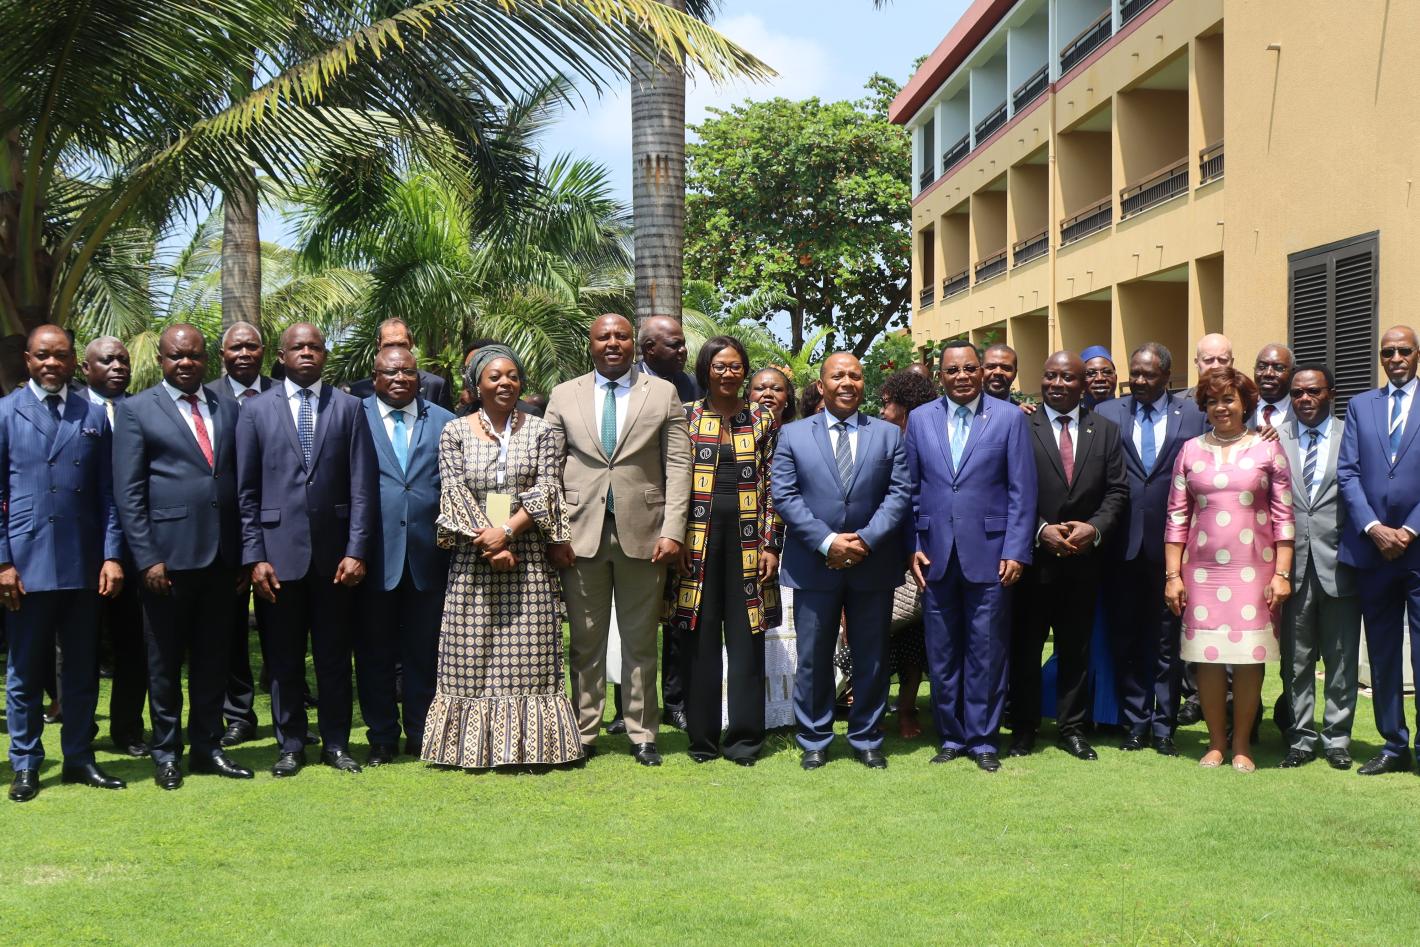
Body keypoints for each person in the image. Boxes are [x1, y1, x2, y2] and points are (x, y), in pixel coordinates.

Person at [422, 344, 581, 768]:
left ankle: (532, 749)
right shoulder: (454, 431)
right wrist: (489, 543)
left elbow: (548, 489)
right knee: (471, 654)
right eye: (494, 377)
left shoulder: (541, 431)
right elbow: (454, 490)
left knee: (530, 656)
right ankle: (470, 749)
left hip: (527, 557)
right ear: (477, 385)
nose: (505, 383)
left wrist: (506, 532)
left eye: (512, 376)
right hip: (472, 558)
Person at [545, 314, 692, 766]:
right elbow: (548, 468)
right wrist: (555, 532)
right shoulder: (564, 394)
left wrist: (673, 530)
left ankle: (642, 733)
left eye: (621, 336)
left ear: (634, 344)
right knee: (585, 641)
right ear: (590, 345)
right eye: (603, 337)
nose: (613, 343)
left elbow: (679, 465)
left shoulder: (662, 393)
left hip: (645, 534)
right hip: (579, 535)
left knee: (640, 641)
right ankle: (583, 732)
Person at [111, 324, 253, 789]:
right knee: (164, 664)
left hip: (222, 560)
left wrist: (244, 555)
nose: (186, 363)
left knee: (213, 661)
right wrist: (146, 558)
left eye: (193, 355)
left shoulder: (227, 407)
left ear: (206, 359)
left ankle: (207, 748)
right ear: (162, 360)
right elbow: (129, 493)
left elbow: (238, 484)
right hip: (167, 562)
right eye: (177, 356)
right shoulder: (136, 410)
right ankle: (167, 752)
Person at [235, 323, 378, 778]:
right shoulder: (255, 411)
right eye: (297, 347)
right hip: (278, 558)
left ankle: (336, 744)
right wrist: (255, 557)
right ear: (281, 356)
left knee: (334, 657)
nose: (307, 354)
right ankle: (291, 745)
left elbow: (362, 487)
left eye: (315, 347)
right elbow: (246, 493)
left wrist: (357, 550)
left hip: (336, 560)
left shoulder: (349, 407)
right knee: (284, 659)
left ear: (325, 355)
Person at [1, 325, 126, 802]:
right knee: (25, 671)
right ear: (28, 360)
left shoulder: (92, 413)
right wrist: (2, 563)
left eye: (60, 356)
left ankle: (78, 757)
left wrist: (111, 555)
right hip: (26, 563)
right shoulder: (6, 413)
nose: (51, 364)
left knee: (81, 668)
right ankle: (26, 763)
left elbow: (108, 494)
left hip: (82, 561)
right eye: (42, 356)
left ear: (74, 361)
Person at [773, 353, 911, 770]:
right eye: (838, 376)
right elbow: (785, 495)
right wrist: (828, 541)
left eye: (855, 375)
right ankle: (815, 737)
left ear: (864, 383)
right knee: (814, 657)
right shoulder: (793, 435)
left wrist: (865, 541)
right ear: (821, 385)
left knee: (872, 655)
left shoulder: (887, 435)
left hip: (873, 563)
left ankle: (867, 736)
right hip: (814, 564)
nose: (847, 382)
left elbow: (899, 494)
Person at [906, 340, 1036, 772]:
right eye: (952, 370)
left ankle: (982, 739)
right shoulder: (920, 419)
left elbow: (1022, 491)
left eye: (968, 369)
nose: (961, 377)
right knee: (942, 653)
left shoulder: (1009, 418)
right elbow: (910, 490)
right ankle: (951, 736)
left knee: (986, 652)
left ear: (981, 371)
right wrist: (913, 546)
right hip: (935, 556)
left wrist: (1016, 548)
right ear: (940, 376)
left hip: (992, 554)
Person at [1164, 367, 1294, 772]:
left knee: (1249, 658)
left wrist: (1282, 574)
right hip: (1200, 573)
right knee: (1207, 659)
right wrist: (1172, 576)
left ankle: (1241, 745)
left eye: (1228, 399)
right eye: (1213, 401)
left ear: (1245, 404)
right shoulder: (1190, 451)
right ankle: (1216, 743)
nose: (1221, 407)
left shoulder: (1267, 448)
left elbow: (1284, 516)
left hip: (1255, 571)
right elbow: (1176, 516)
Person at [1007, 352, 1127, 760]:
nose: (1057, 384)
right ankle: (1024, 727)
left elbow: (1117, 490)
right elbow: (1008, 487)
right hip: (1032, 560)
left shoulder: (1106, 431)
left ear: (1083, 384)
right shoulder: (1020, 426)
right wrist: (1040, 530)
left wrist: (1094, 528)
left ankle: (1072, 728)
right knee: (1026, 648)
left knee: (1075, 648)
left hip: (1083, 561)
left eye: (1067, 378)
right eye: (1050, 376)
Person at [666, 337, 781, 765]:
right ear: (706, 370)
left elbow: (774, 485)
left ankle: (745, 740)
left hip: (750, 542)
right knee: (698, 636)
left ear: (744, 371)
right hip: (696, 542)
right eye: (720, 366)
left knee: (747, 636)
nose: (728, 373)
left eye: (735, 366)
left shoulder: (762, 419)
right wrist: (674, 537)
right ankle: (702, 739)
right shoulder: (686, 417)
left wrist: (771, 544)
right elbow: (670, 481)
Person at [1093, 343, 1207, 755]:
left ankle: (1165, 727)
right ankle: (1136, 722)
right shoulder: (1107, 412)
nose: (1139, 380)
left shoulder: (1193, 415)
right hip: (1121, 546)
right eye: (1135, 373)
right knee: (1126, 639)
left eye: (1148, 374)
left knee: (1166, 642)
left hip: (1174, 547)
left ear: (1168, 378)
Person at [356, 346, 455, 765]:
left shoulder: (445, 422)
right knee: (374, 652)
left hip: (428, 556)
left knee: (423, 651)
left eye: (408, 372)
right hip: (373, 556)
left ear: (419, 378)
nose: (400, 379)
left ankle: (420, 732)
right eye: (390, 372)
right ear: (374, 377)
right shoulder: (354, 416)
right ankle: (380, 735)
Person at [1336, 325, 1420, 776]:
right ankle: (1394, 744)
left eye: (1403, 350)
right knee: (1383, 653)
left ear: (1417, 354)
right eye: (1388, 352)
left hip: (1417, 549)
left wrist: (1409, 530)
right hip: (1373, 552)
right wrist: (1374, 528)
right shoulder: (1360, 405)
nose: (1395, 358)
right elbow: (1347, 473)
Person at [1275, 365, 1360, 770]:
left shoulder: (1352, 436)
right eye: (1297, 393)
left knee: (1341, 658)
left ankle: (1337, 739)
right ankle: (1301, 738)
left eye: (1313, 391)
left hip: (1341, 563)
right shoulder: (1275, 438)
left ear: (1331, 394)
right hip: (1290, 567)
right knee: (1296, 659)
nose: (1304, 399)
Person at [206, 322, 276, 748]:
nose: (244, 353)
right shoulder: (206, 398)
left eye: (251, 346)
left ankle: (288, 709)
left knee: (280, 628)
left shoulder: (284, 394)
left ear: (264, 351)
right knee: (229, 632)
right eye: (236, 348)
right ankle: (238, 715)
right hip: (225, 534)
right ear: (223, 355)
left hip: (279, 533)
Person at [81, 336, 148, 757]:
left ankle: (127, 730)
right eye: (107, 360)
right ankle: (81, 730)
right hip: (83, 551)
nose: (118, 367)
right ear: (85, 368)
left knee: (133, 645)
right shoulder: (69, 410)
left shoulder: (143, 410)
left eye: (123, 360)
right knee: (81, 647)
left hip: (136, 551)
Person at [877, 368, 938, 739]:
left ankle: (907, 710)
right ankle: (872, 707)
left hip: (918, 548)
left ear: (906, 405)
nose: (882, 411)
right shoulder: (880, 438)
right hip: (881, 548)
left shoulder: (928, 438)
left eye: (888, 404)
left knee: (912, 637)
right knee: (877, 637)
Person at [746, 366, 798, 729]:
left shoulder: (802, 434)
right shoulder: (737, 434)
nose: (768, 394)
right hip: (753, 542)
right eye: (760, 388)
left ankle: (794, 708)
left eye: (777, 389)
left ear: (788, 399)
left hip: (798, 541)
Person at [346, 317, 451, 411]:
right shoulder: (359, 391)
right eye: (389, 345)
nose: (395, 350)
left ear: (411, 343)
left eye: (401, 344)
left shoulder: (435, 386)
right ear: (379, 345)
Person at [458, 338, 542, 418]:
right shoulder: (463, 415)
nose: (469, 376)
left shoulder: (529, 416)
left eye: (512, 377)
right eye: (466, 370)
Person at [637, 315, 702, 404]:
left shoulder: (695, 386)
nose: (683, 350)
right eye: (674, 345)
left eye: (683, 344)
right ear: (650, 348)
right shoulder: (628, 383)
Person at [1253, 343, 1294, 431]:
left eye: (1278, 368)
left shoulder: (1302, 412)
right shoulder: (1242, 410)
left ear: (1293, 373)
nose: (1268, 373)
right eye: (1262, 367)